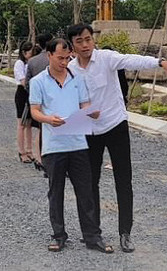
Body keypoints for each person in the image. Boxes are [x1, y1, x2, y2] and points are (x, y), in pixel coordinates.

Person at [67, 23, 167, 253]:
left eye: (88, 39)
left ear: (93, 40)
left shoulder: (107, 58)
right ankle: (92, 230)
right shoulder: (71, 69)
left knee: (123, 180)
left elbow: (133, 60)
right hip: (90, 130)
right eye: (79, 41)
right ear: (73, 45)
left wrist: (160, 63)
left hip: (116, 124)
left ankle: (125, 233)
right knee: (90, 183)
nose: (85, 44)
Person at [29, 38, 113, 253]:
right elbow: (34, 110)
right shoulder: (38, 81)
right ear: (49, 55)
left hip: (77, 143)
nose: (65, 62)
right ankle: (58, 235)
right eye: (60, 58)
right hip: (54, 145)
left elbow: (84, 104)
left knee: (85, 192)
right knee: (56, 192)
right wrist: (48, 119)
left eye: (68, 58)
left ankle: (93, 236)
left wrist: (91, 111)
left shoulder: (77, 79)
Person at [25, 33, 54, 173]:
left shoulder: (32, 61)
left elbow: (27, 83)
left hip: (37, 101)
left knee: (42, 129)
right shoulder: (53, 59)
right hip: (53, 99)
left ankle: (40, 158)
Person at [14, 41, 34, 163]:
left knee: (29, 125)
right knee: (21, 124)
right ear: (24, 52)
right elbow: (22, 81)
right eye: (31, 52)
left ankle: (29, 150)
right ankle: (22, 152)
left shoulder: (29, 63)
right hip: (22, 93)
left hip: (30, 93)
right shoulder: (19, 64)